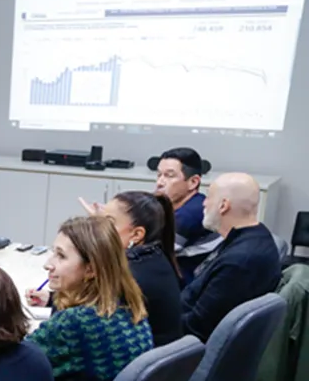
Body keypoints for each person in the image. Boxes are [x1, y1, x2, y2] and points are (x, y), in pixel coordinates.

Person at [26, 216, 153, 381]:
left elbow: (14, 364)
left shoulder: (75, 323)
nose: (48, 264)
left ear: (91, 269)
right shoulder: (129, 305)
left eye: (61, 256)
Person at [61, 191, 183, 347]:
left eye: (109, 223)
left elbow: (78, 319)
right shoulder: (151, 257)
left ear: (136, 234)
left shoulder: (131, 274)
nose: (100, 230)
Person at [181, 172, 281, 342]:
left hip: (184, 342)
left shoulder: (241, 262)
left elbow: (197, 327)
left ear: (223, 205)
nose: (204, 203)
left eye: (209, 197)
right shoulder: (254, 235)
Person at [154, 147, 216, 284]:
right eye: (159, 175)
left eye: (169, 176)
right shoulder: (195, 202)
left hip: (186, 285)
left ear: (193, 182)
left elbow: (153, 255)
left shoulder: (190, 214)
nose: (159, 183)